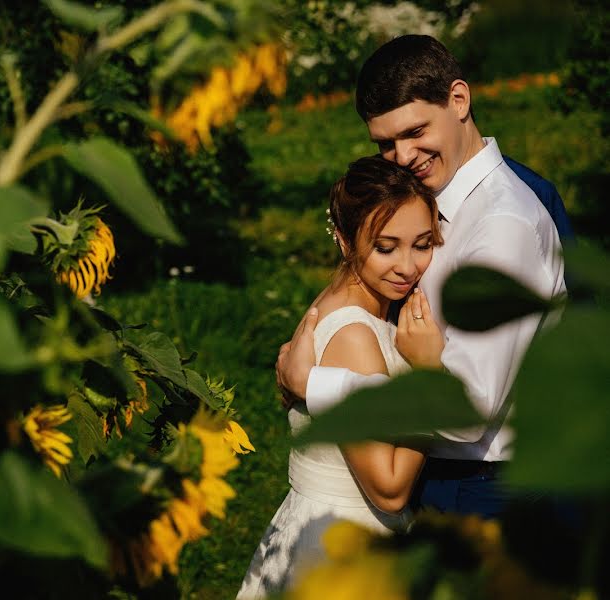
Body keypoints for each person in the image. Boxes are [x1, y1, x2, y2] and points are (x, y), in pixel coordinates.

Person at [276, 35, 567, 519]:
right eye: (386, 144)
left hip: (485, 487)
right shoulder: (431, 201)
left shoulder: (502, 226)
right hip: (433, 474)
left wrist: (317, 384)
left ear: (459, 99)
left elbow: (467, 413)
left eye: (415, 132)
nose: (403, 155)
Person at [237, 155, 445, 598]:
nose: (408, 267)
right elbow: (388, 489)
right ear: (345, 241)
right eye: (386, 248)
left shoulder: (343, 298)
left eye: (422, 244)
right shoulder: (355, 334)